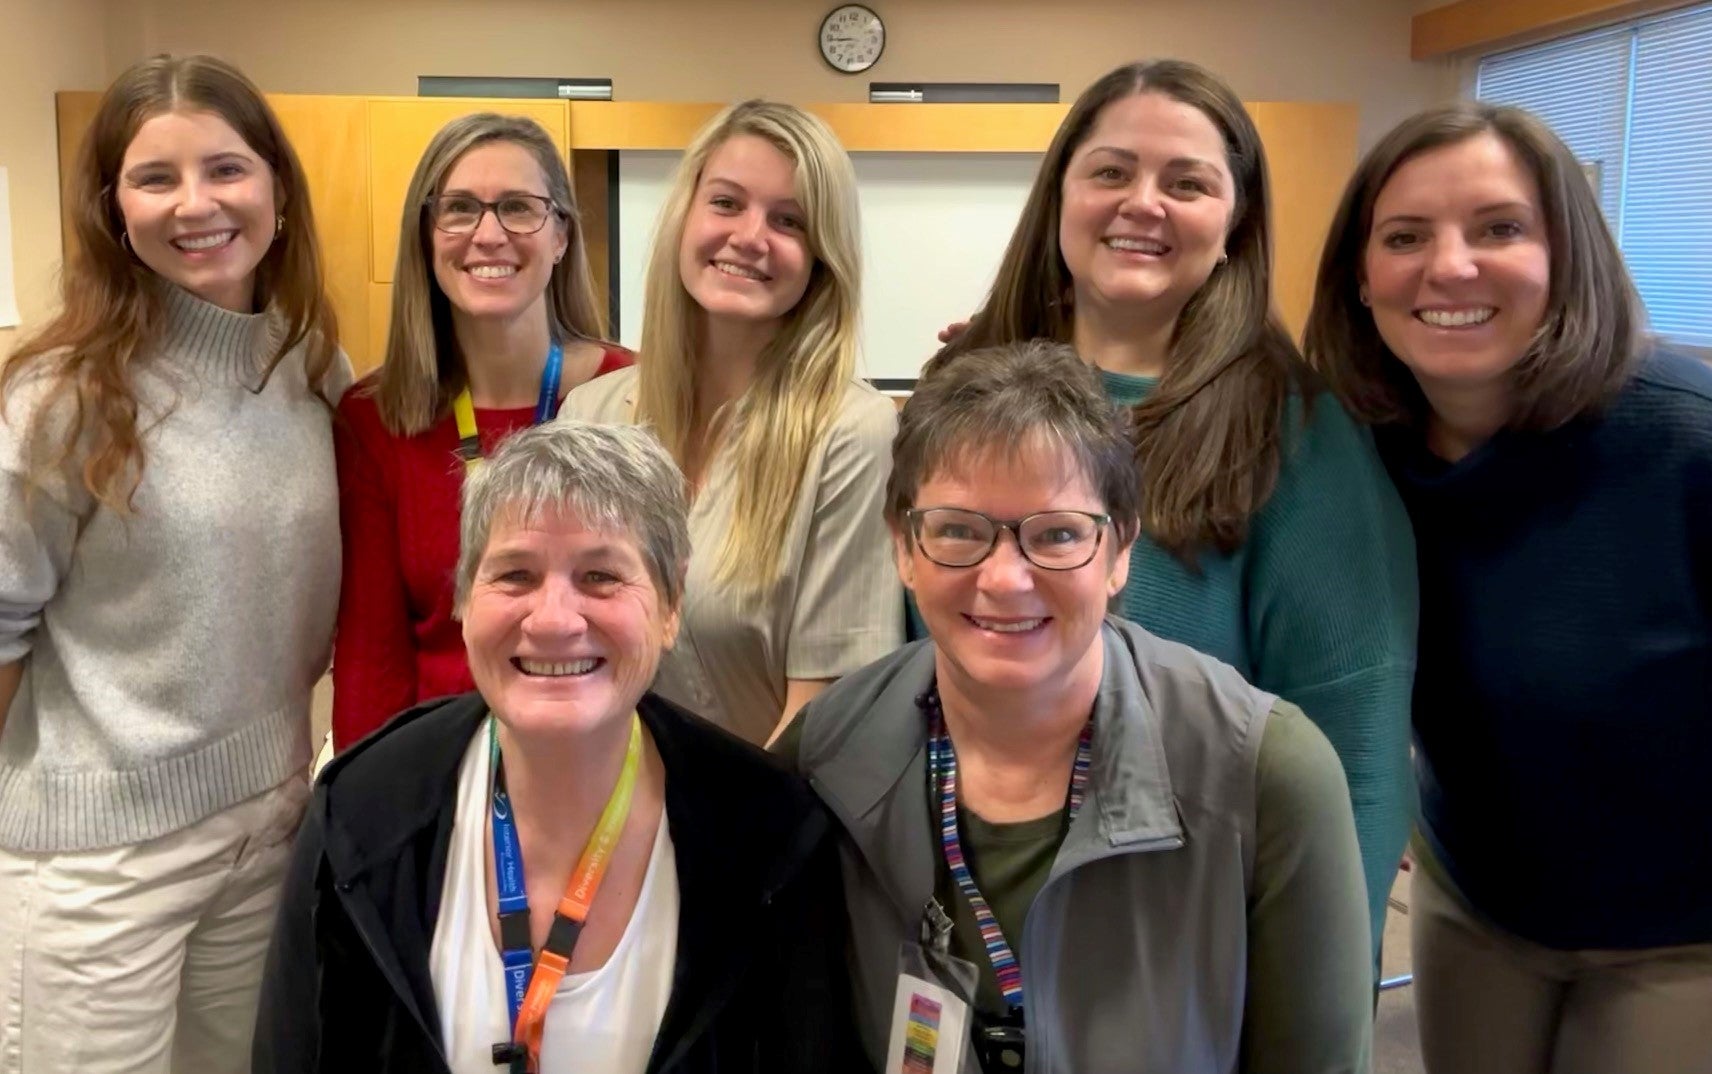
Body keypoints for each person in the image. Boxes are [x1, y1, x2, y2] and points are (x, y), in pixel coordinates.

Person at [932, 58, 1417, 963]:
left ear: (1235, 223)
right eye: (1111, 171)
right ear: (1061, 198)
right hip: (952, 914)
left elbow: (1358, 750)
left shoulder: (1301, 437)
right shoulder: (961, 395)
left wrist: (1313, 997)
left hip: (1179, 943)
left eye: (1187, 182)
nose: (1142, 203)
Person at [778, 339, 1373, 1073]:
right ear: (904, 547)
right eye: (959, 531)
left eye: (1057, 534)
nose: (1005, 578)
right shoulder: (825, 755)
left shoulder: (1267, 776)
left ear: (1121, 550)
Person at [255, 420, 861, 1074]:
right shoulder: (362, 814)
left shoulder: (771, 835)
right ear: (463, 598)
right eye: (515, 574)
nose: (552, 620)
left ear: (670, 604)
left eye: (600, 576)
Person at [1305, 102, 1712, 1074]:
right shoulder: (1349, 448)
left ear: (1564, 253)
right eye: (1404, 237)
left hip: (1678, 928)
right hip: (1475, 896)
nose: (1449, 267)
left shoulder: (1683, 442)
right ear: (1360, 278)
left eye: (1498, 228)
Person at [0, 54, 347, 1073]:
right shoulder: (64, 394)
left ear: (277, 191)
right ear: (115, 209)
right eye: (156, 178)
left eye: (226, 169)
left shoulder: (307, 366)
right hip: (99, 859)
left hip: (266, 829)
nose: (195, 204)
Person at [559, 99, 901, 747]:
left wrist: (712, 839)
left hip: (769, 821)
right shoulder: (592, 417)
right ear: (685, 215)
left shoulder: (853, 432)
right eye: (726, 203)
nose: (750, 236)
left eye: (789, 221)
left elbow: (825, 711)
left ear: (823, 257)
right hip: (610, 808)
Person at [331, 112, 632, 750]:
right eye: (460, 208)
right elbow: (371, 659)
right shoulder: (374, 417)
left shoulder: (631, 394)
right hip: (443, 763)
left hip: (607, 758)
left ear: (561, 237)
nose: (488, 234)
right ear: (426, 235)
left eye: (518, 208)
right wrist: (369, 809)